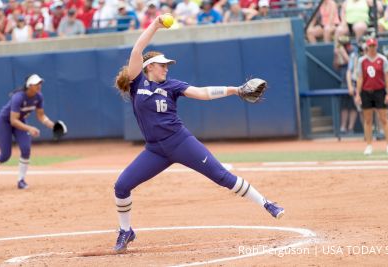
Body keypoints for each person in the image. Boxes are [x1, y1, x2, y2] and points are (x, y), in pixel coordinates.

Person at [112, 14, 284, 253]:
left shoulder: (171, 86)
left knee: (221, 176)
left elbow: (203, 93)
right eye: (162, 65)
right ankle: (125, 231)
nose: (166, 68)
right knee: (121, 186)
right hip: (155, 150)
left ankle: (267, 203)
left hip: (180, 142)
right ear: (148, 67)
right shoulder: (137, 83)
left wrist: (235, 90)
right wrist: (155, 25)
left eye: (167, 65)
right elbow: (137, 49)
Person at [0, 74, 56, 189]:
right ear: (29, 86)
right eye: (37, 84)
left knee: (26, 149)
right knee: (5, 155)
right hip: (5, 122)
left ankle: (21, 180)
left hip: (20, 121)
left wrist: (53, 125)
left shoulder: (39, 97)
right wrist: (30, 128)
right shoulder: (18, 97)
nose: (39, 85)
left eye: (40, 83)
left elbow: (41, 116)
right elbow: (13, 121)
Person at [355, 38, 388, 155]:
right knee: (368, 120)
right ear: (367, 47)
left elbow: (387, 77)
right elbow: (360, 78)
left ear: (376, 46)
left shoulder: (382, 59)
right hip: (366, 91)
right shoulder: (362, 61)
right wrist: (358, 94)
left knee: (384, 118)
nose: (372, 48)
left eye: (374, 46)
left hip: (379, 91)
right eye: (370, 46)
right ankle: (369, 145)